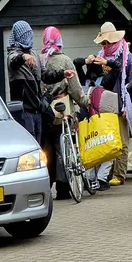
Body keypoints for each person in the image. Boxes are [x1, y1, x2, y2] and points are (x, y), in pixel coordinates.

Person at [76, 22, 132, 189]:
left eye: (106, 42)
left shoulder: (127, 56)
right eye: (102, 43)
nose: (104, 46)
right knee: (107, 139)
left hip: (121, 102)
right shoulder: (100, 56)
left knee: (122, 140)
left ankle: (119, 174)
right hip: (105, 104)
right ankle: (107, 175)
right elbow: (93, 79)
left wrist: (127, 104)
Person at [7, 20, 74, 143]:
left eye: (30, 34)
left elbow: (45, 75)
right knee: (29, 145)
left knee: (41, 147)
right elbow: (14, 63)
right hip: (24, 112)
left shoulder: (34, 54)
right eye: (27, 34)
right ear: (20, 36)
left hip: (38, 110)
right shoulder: (12, 55)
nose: (30, 37)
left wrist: (62, 74)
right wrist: (23, 57)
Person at [41, 26, 86, 199]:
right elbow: (75, 89)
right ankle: (63, 186)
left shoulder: (40, 59)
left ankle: (47, 182)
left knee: (48, 147)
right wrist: (85, 103)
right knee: (63, 146)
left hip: (46, 110)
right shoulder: (66, 61)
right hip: (62, 108)